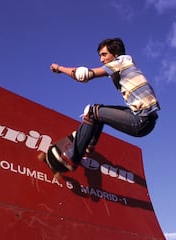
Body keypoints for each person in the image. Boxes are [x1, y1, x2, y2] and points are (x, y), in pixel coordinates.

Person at [50, 38, 160, 171]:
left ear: (116, 54)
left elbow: (83, 75)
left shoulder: (121, 61)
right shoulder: (124, 67)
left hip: (141, 121)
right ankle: (88, 144)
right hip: (143, 118)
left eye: (104, 54)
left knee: (92, 112)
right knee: (98, 111)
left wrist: (60, 68)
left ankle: (71, 157)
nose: (101, 60)